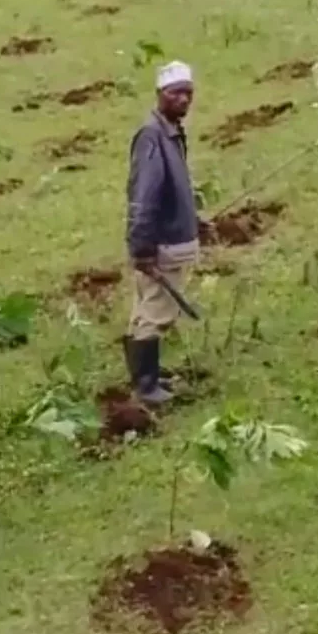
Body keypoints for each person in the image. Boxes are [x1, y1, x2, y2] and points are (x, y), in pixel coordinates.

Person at [124, 61, 199, 407]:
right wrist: (142, 248)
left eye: (188, 92)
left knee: (146, 307)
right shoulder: (152, 136)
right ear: (159, 94)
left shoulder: (171, 130)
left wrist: (195, 219)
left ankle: (146, 373)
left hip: (170, 237)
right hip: (161, 244)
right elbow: (144, 195)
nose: (183, 99)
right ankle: (146, 385)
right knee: (156, 311)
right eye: (175, 93)